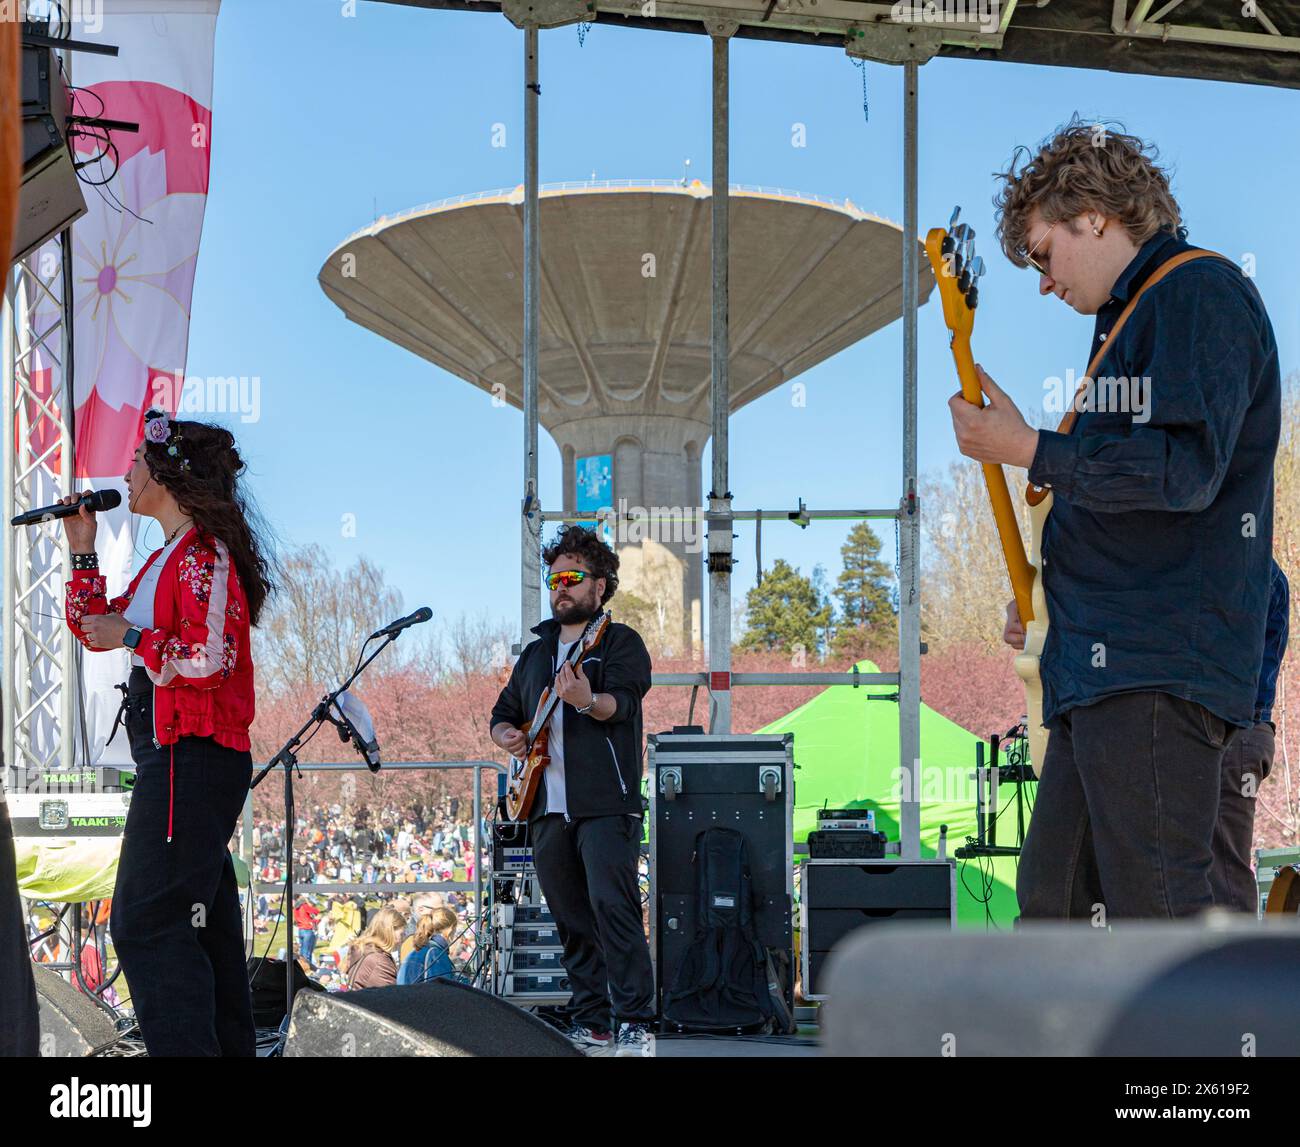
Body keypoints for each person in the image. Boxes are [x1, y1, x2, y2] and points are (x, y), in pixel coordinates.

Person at [975, 122, 1281, 919]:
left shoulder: (1197, 291)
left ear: (1096, 214)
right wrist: (1051, 598)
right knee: (1051, 904)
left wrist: (1030, 448)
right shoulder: (1134, 320)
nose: (1042, 281)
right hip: (1106, 670)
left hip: (1153, 665)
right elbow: (1139, 502)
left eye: (1043, 252)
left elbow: (1182, 471)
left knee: (1157, 917)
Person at [62, 409, 277, 1055]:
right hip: (177, 755)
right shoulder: (170, 558)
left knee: (147, 919)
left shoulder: (204, 555)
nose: (124, 474)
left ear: (166, 471)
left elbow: (208, 659)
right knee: (199, 925)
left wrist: (132, 637)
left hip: (193, 755)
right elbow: (92, 623)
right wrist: (81, 547)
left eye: (135, 463)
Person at [489, 525, 656, 1056]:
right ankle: (593, 1017)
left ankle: (635, 1018)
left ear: (601, 585)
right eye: (554, 577)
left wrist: (587, 700)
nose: (560, 587)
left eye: (572, 577)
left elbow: (624, 704)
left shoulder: (620, 642)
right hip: (544, 806)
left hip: (607, 803)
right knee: (569, 915)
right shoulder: (536, 651)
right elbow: (502, 715)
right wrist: (509, 737)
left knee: (615, 907)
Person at [1211, 561, 1289, 912]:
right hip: (1239, 731)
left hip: (1231, 730)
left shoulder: (1249, 571)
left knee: (1222, 879)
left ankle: (1232, 964)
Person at [343, 906, 404, 990]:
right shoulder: (380, 961)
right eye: (401, 934)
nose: (401, 940)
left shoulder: (362, 947)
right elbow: (391, 997)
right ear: (390, 931)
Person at [397, 906, 458, 985]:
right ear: (451, 929)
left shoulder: (418, 950)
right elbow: (442, 991)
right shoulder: (436, 954)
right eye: (455, 930)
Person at [294, 897, 322, 968]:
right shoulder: (304, 906)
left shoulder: (296, 908)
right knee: (307, 953)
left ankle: (301, 966)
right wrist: (316, 921)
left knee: (302, 952)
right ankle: (307, 968)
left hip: (300, 930)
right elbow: (317, 912)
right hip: (307, 929)